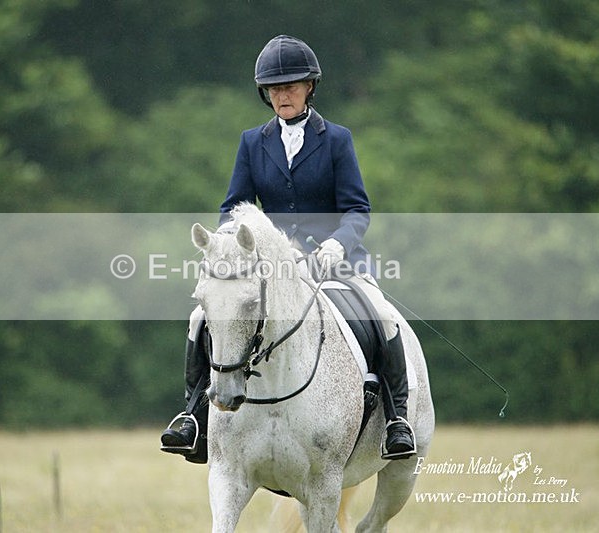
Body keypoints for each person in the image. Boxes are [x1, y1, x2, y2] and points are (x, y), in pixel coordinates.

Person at [160, 34, 415, 463]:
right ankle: (193, 416)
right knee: (201, 315)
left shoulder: (337, 139)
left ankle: (396, 419)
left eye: (291, 87)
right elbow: (233, 208)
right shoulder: (252, 142)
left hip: (335, 260)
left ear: (309, 87)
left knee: (381, 313)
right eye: (274, 89)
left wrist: (336, 245)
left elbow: (358, 209)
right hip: (273, 266)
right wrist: (232, 243)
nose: (282, 95)